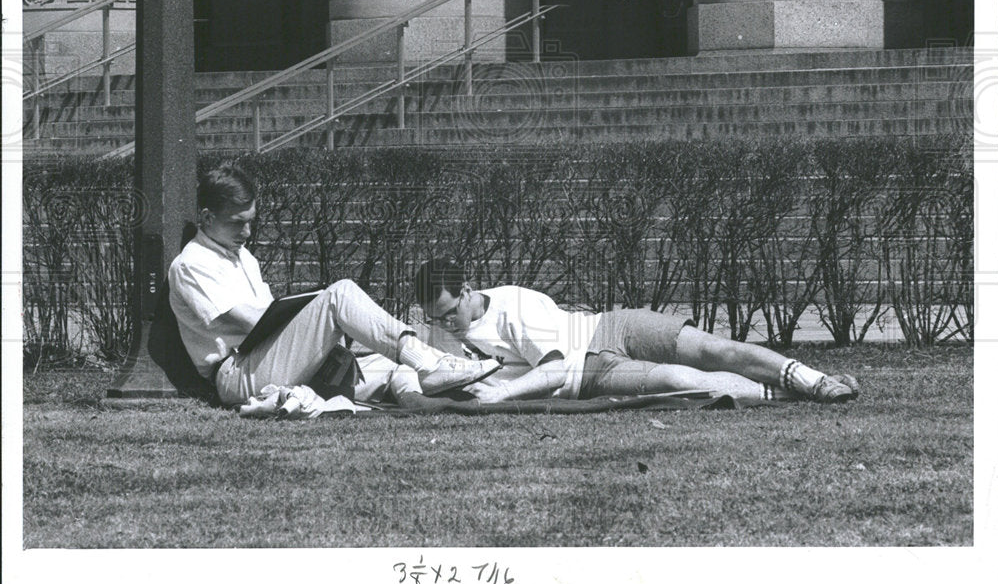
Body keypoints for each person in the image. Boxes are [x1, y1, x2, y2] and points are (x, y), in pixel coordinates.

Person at [168, 168, 498, 407]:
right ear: (208, 218)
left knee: (393, 361)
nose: (248, 232)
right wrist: (319, 317)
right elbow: (254, 323)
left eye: (251, 220)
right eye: (237, 223)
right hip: (239, 373)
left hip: (272, 359)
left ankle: (429, 386)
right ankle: (428, 365)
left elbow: (272, 319)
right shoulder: (191, 264)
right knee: (339, 295)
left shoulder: (242, 256)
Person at [413, 258, 860, 407]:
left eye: (449, 312)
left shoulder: (514, 302)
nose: (445, 324)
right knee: (681, 381)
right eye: (436, 318)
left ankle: (812, 380)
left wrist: (499, 394)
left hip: (606, 328)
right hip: (588, 376)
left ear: (468, 290)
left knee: (710, 348)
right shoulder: (441, 329)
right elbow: (421, 371)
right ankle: (788, 396)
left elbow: (551, 367)